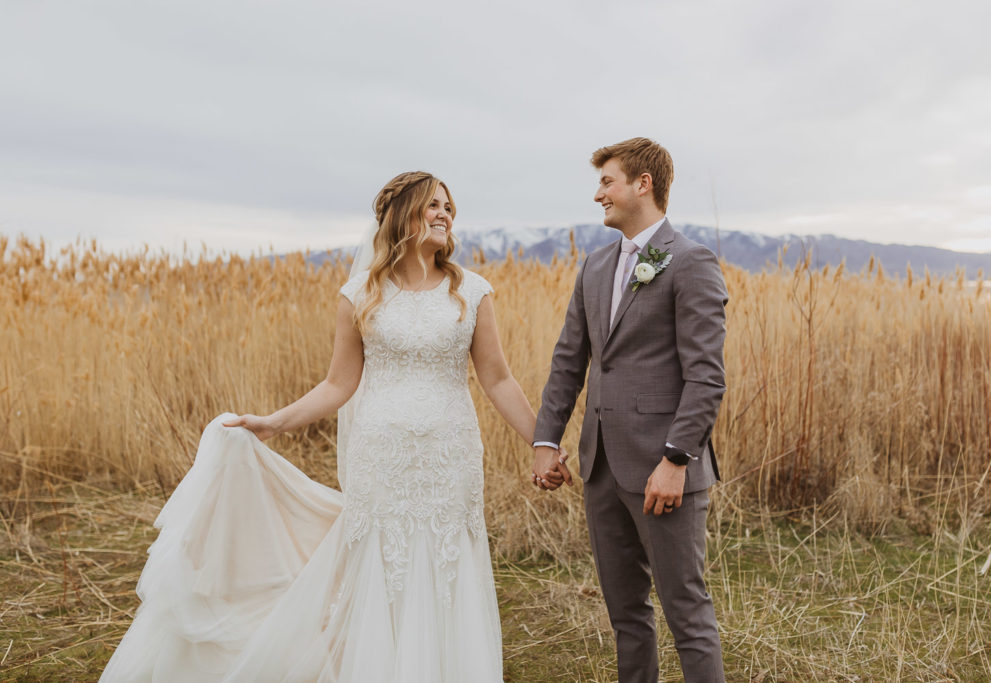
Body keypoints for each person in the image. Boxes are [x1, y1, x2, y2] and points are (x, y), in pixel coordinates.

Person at [100, 171, 540, 682]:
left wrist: (543, 441)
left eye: (448, 206)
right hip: (382, 458)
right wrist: (272, 423)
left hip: (450, 456)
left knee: (447, 563)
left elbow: (499, 378)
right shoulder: (361, 294)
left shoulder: (472, 291)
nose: (444, 214)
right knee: (384, 567)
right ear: (403, 216)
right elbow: (337, 384)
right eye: (432, 206)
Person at [532, 137, 729, 682]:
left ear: (643, 184)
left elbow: (706, 376)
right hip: (600, 468)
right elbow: (569, 361)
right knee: (627, 616)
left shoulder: (691, 262)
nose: (598, 194)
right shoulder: (594, 266)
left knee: (686, 611)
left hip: (664, 470)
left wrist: (675, 459)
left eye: (607, 182)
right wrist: (547, 439)